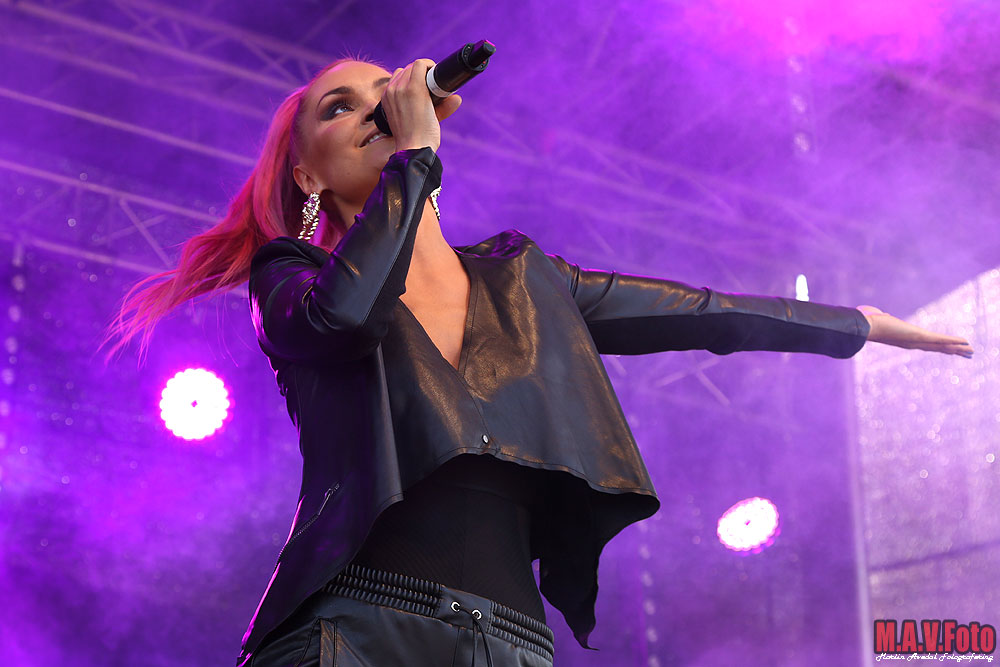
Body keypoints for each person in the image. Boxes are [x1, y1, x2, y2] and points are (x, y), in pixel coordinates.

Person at [100, 55, 974, 667]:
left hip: (510, 645)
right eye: (339, 107)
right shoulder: (287, 277)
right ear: (306, 175)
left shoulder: (526, 280)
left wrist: (856, 322)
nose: (370, 108)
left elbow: (706, 312)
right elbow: (346, 317)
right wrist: (415, 159)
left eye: (381, 93)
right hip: (354, 632)